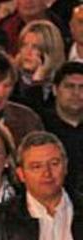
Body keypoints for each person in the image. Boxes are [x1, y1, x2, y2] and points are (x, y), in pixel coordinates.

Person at [41, 62, 83, 193]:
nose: (76, 93)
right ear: (54, 89)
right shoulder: (40, 125)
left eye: (82, 87)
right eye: (69, 86)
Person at [13, 20, 66, 110]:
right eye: (24, 45)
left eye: (35, 47)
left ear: (49, 52)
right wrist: (37, 83)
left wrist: (38, 78)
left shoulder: (62, 83)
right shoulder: (12, 81)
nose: (27, 52)